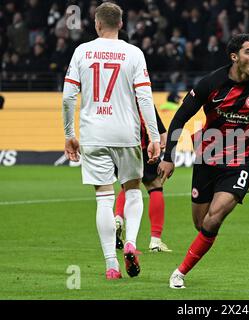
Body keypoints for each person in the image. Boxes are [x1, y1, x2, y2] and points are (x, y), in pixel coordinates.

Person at [158, 33, 249, 289]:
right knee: (201, 223)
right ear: (234, 57)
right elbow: (179, 118)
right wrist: (168, 157)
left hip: (241, 159)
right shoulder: (211, 82)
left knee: (215, 218)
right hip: (207, 157)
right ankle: (238, 189)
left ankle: (180, 272)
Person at [62, 2, 160, 280]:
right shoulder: (134, 53)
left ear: (96, 24)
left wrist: (69, 134)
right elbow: (145, 98)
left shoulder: (82, 51)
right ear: (121, 24)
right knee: (132, 191)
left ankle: (111, 266)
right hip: (125, 133)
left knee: (103, 199)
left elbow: (69, 96)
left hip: (94, 134)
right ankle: (130, 242)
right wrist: (154, 136)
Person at [114, 106, 171, 253]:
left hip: (113, 136)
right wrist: (161, 131)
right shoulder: (135, 82)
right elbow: (146, 102)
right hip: (138, 137)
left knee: (128, 184)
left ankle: (118, 219)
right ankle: (155, 241)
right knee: (155, 184)